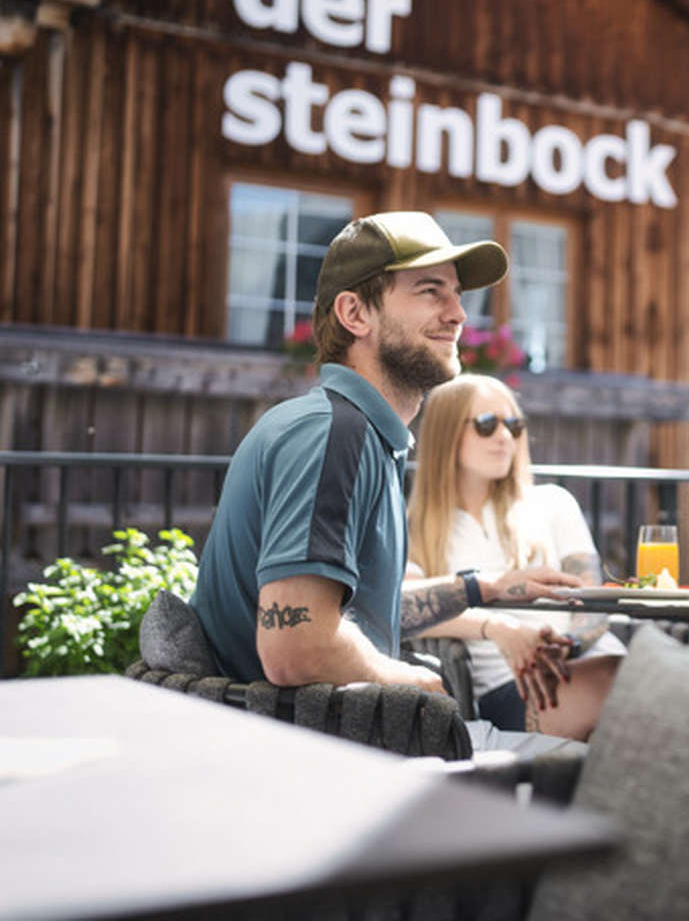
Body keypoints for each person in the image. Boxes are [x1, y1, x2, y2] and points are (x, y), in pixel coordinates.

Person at [189, 211, 583, 752]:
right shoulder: (332, 434)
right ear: (355, 313)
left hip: (320, 744)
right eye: (430, 291)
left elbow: (349, 613)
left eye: (457, 294)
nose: (459, 314)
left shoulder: (357, 432)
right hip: (308, 762)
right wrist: (418, 686)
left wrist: (481, 587)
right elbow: (297, 646)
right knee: (589, 769)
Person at [405, 374, 625, 740]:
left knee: (645, 681)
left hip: (586, 659)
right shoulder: (416, 527)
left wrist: (565, 646)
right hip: (514, 685)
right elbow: (406, 607)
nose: (505, 437)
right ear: (446, 434)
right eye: (487, 425)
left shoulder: (554, 503)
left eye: (513, 425)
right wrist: (500, 629)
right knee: (630, 684)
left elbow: (592, 600)